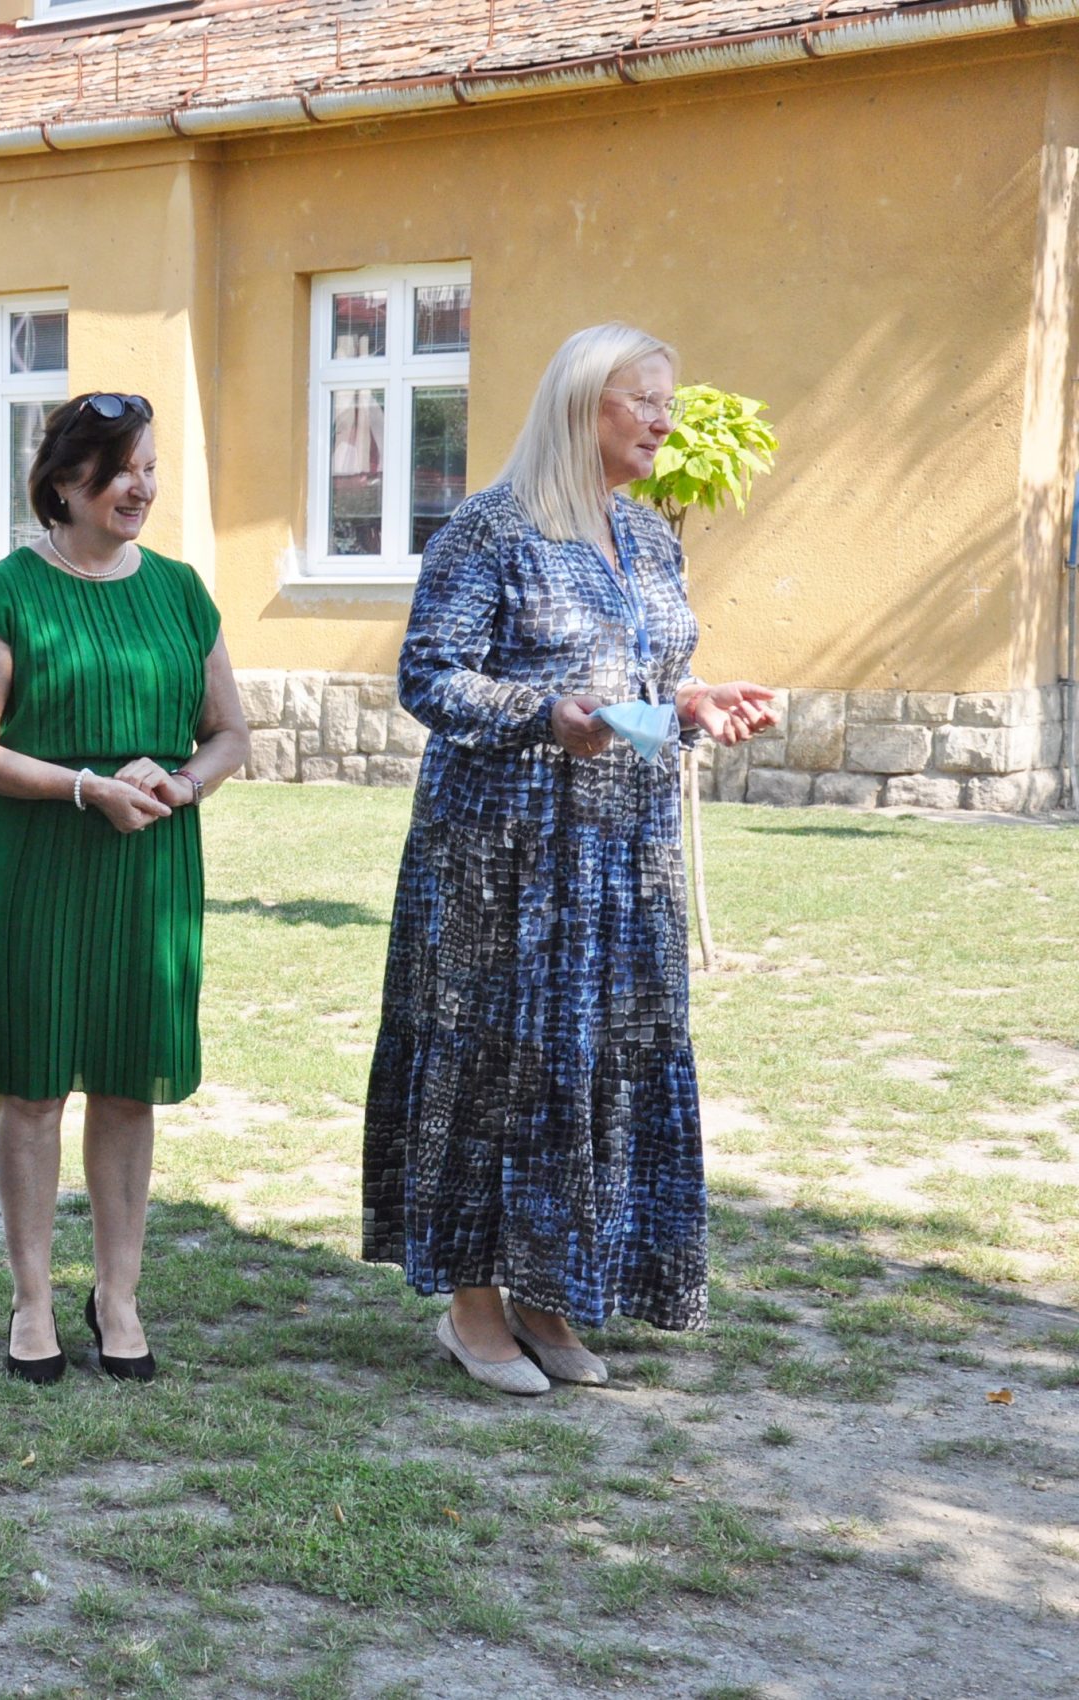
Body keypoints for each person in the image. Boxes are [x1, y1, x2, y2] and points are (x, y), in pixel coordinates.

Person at [363, 323, 777, 1396]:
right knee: (492, 1068)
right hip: (502, 861)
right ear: (580, 406)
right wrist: (544, 714)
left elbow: (644, 677)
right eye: (643, 400)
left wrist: (695, 701)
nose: (663, 421)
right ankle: (471, 1308)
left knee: (588, 1069)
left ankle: (545, 1294)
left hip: (622, 860)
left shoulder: (646, 537)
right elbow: (429, 678)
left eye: (667, 401)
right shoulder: (489, 530)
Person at [0, 394, 251, 1384]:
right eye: (121, 469)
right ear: (66, 482)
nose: (141, 486)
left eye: (150, 467)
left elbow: (229, 733)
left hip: (150, 865)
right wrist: (84, 786)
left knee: (126, 1080)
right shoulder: (9, 591)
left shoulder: (181, 591)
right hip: (40, 864)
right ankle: (32, 1299)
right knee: (32, 1086)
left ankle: (117, 1294)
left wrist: (181, 781)